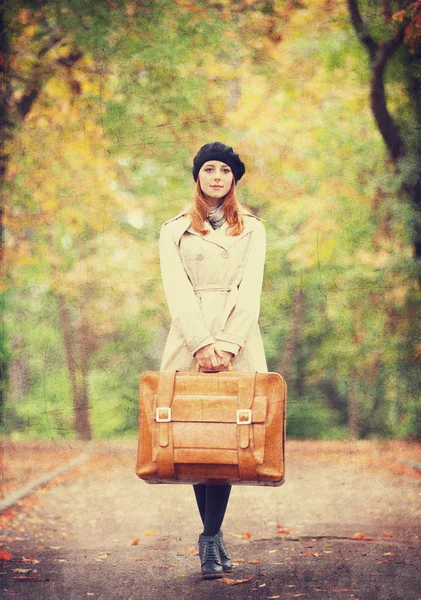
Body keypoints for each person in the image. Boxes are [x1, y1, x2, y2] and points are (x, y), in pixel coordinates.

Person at [158, 142, 267, 579]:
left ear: (234, 179)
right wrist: (202, 343)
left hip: (237, 339)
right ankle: (212, 537)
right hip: (189, 338)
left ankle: (210, 535)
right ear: (197, 176)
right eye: (209, 169)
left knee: (227, 439)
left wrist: (226, 344)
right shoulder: (174, 229)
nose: (217, 176)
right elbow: (176, 292)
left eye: (225, 170)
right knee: (195, 437)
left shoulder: (253, 229)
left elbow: (251, 291)